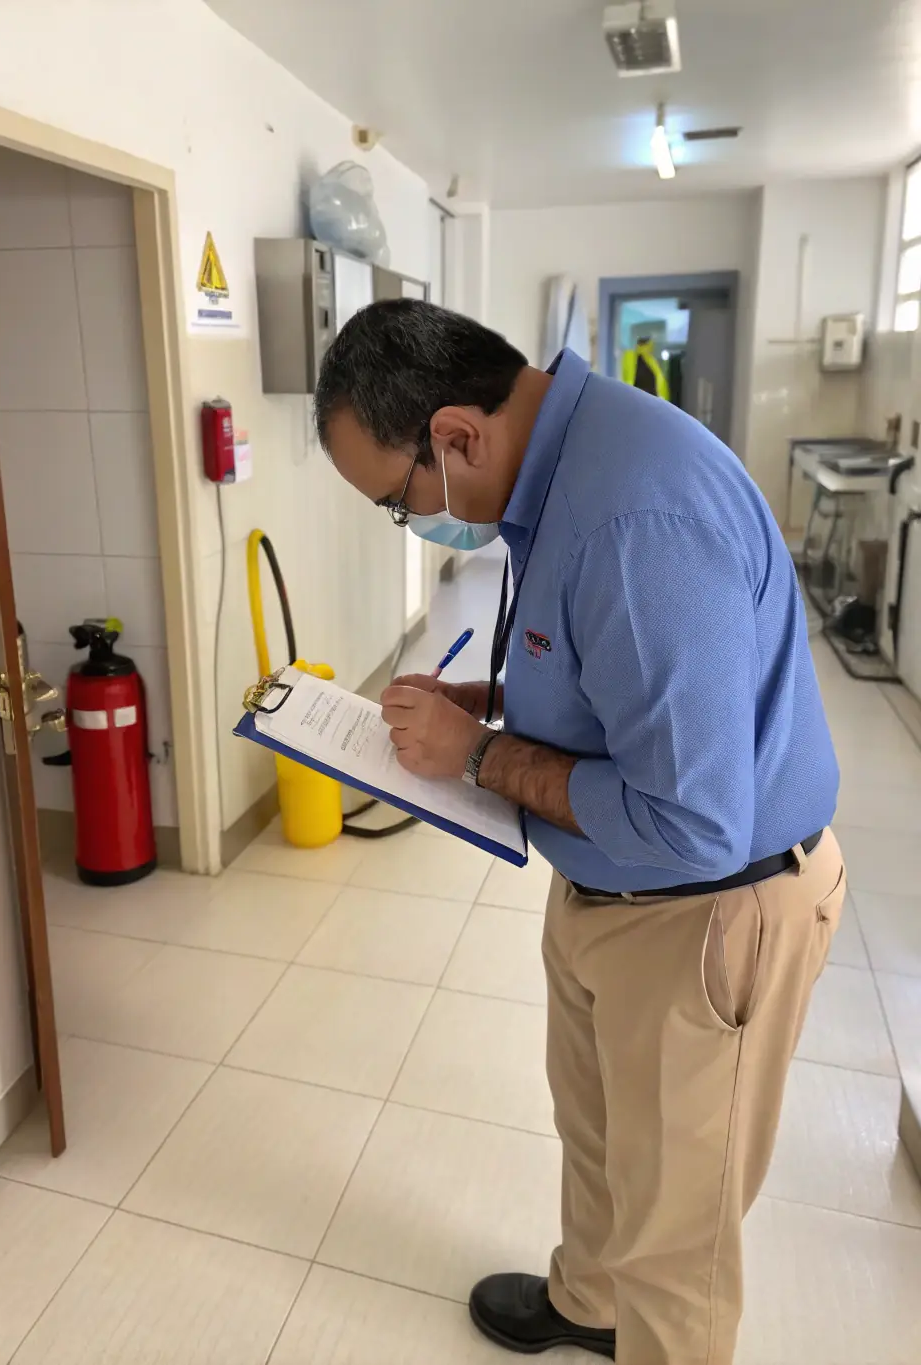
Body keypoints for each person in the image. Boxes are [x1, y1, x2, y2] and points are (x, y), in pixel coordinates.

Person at [313, 299, 843, 1365]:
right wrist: (495, 699)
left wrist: (473, 755)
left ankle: (643, 1327)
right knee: (600, 1143)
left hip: (702, 912)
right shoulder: (569, 459)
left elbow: (690, 819)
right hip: (611, 892)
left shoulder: (633, 516)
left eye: (394, 501)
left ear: (456, 434)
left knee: (676, 1237)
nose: (410, 523)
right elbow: (617, 669)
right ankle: (590, 1306)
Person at [621, 334, 670, 400]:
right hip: (639, 398)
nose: (651, 348)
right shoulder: (631, 358)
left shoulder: (651, 362)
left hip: (649, 400)